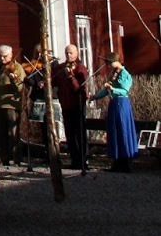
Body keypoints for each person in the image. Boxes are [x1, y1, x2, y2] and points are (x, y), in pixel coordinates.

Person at [92, 55, 136, 172]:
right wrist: (96, 96)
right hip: (114, 103)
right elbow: (106, 90)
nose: (108, 65)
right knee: (114, 131)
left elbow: (125, 91)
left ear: (116, 61)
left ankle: (126, 163)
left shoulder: (124, 74)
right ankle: (116, 162)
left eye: (109, 63)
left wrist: (113, 89)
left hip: (121, 104)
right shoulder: (113, 73)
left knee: (123, 130)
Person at [53, 44, 89, 173]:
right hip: (65, 104)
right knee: (69, 134)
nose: (68, 55)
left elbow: (80, 89)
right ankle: (74, 160)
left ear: (76, 54)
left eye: (71, 53)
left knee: (80, 133)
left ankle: (83, 161)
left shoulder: (80, 68)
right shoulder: (61, 67)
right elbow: (54, 81)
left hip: (77, 104)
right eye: (66, 53)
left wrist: (71, 77)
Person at [0, 46, 25, 166]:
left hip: (12, 104)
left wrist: (13, 79)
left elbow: (20, 88)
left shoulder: (17, 67)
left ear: (11, 55)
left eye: (4, 56)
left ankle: (16, 158)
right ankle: (4, 158)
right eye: (0, 56)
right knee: (1, 133)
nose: (2, 59)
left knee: (13, 133)